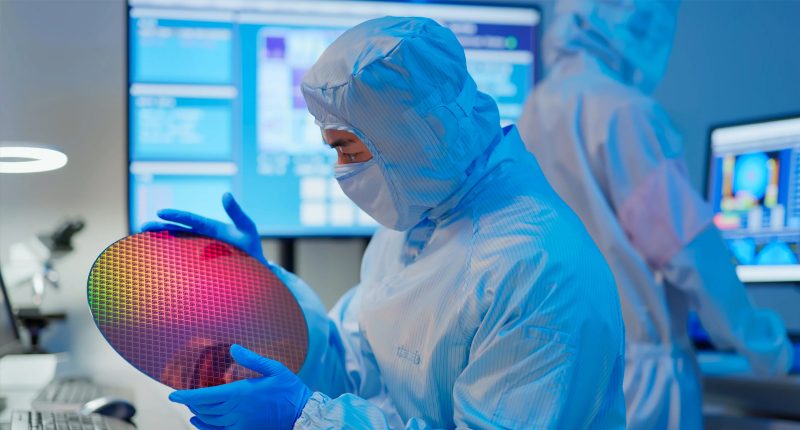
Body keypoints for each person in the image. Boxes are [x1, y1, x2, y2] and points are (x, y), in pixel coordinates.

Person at [144, 16, 627, 430]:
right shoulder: (417, 218)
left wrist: (304, 418)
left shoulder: (538, 269)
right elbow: (355, 372)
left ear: (414, 137)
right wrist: (265, 296)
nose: (341, 171)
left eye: (347, 149)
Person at [516, 1, 795, 428]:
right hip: (639, 380)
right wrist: (767, 347)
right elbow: (688, 251)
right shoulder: (623, 111)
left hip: (561, 371)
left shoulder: (536, 108)